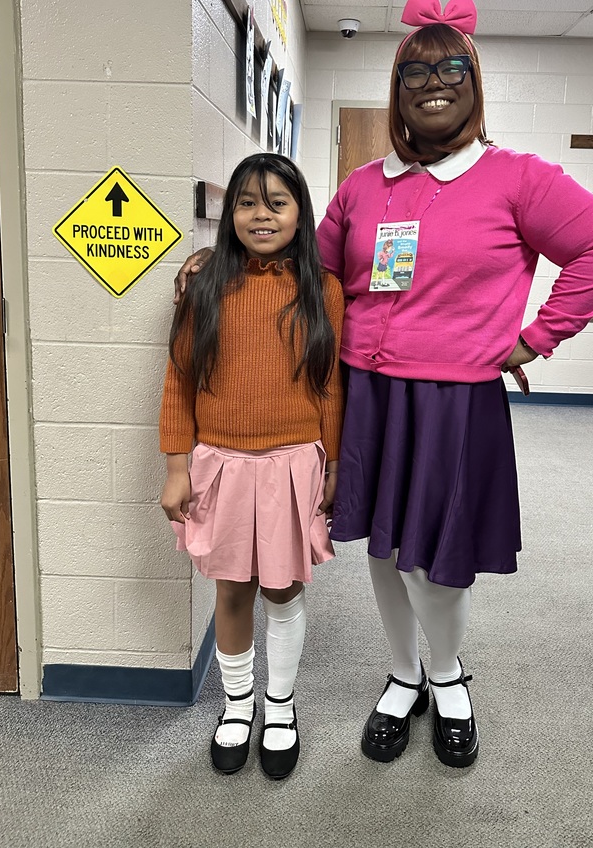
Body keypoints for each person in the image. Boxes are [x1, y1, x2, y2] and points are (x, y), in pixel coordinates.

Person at [176, 0, 593, 770]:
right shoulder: (362, 187)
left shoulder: (516, 178)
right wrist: (211, 260)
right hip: (367, 394)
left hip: (453, 401)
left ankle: (449, 678)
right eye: (415, 73)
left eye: (452, 68)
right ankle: (401, 676)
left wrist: (535, 339)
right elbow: (302, 271)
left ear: (474, 84)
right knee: (385, 550)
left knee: (434, 555)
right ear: (396, 92)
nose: (434, 84)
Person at [160, 153, 344, 780]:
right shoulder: (204, 286)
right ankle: (237, 705)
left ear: (300, 213)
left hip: (294, 463)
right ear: (228, 213)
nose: (261, 215)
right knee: (233, 589)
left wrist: (336, 464)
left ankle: (280, 705)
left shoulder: (324, 291)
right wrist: (176, 466)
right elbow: (179, 381)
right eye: (246, 202)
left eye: (276, 202)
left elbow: (332, 389)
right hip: (221, 465)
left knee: (282, 590)